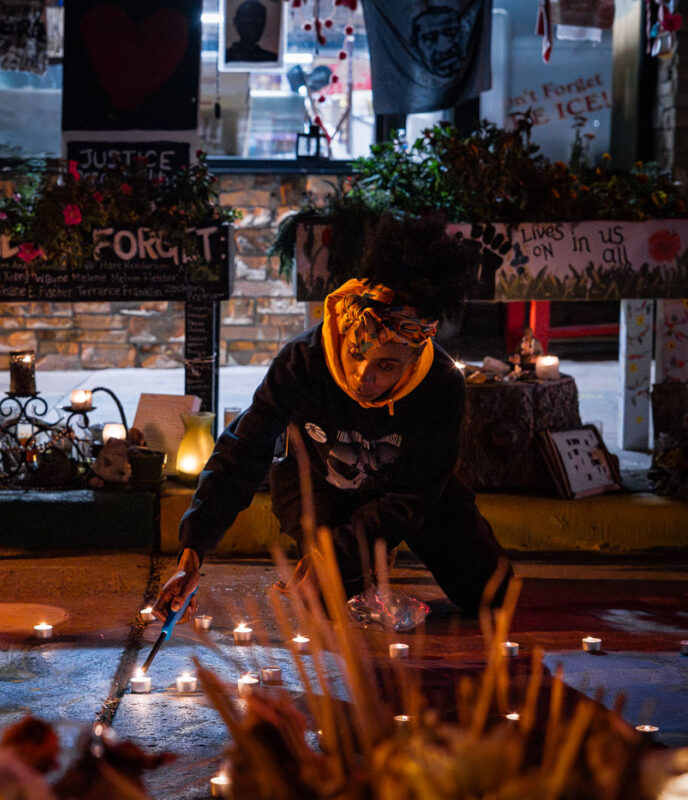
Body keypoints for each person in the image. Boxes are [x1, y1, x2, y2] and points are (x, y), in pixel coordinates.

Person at [153, 215, 512, 623]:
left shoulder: (441, 384)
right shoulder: (302, 361)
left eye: (386, 366)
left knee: (495, 596)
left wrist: (337, 552)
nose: (363, 377)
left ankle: (374, 557)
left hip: (407, 495)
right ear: (344, 332)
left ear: (413, 359)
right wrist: (192, 552)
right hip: (324, 484)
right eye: (357, 354)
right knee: (327, 604)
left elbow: (418, 492)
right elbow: (243, 451)